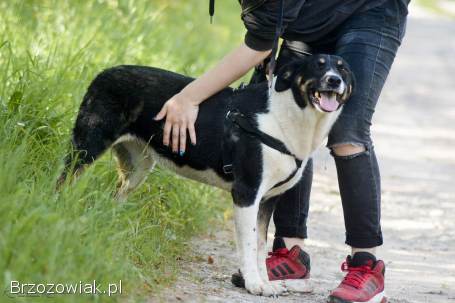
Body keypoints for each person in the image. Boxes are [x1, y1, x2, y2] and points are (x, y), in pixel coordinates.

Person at [154, 0, 409, 302]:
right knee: (285, 117)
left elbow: (257, 46)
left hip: (371, 12)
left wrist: (187, 97)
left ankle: (367, 265)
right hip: (307, 18)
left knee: (347, 131)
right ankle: (291, 252)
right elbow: (263, 37)